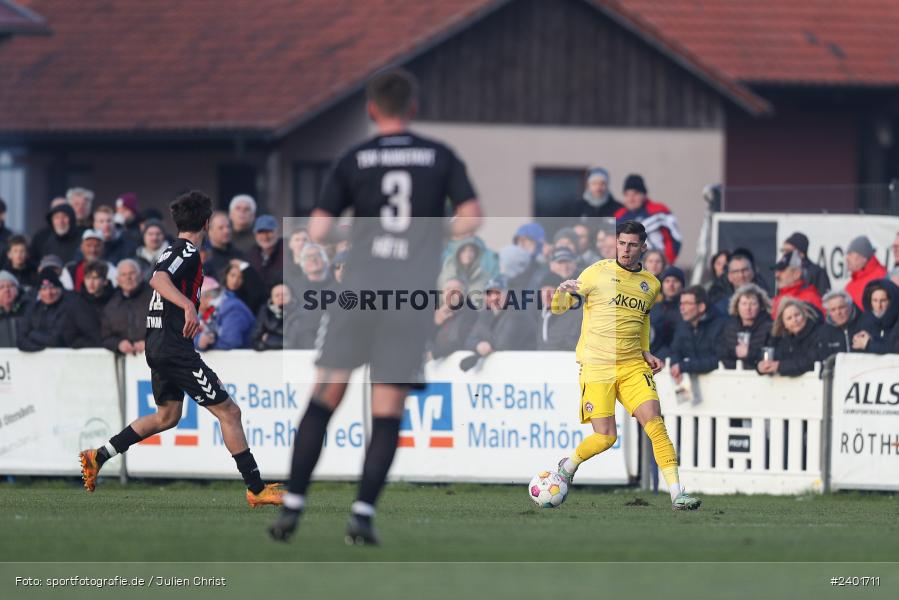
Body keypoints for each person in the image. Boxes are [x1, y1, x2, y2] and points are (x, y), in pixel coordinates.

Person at [269, 69, 482, 545]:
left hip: (359, 290)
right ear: (413, 108)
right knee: (387, 409)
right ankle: (362, 516)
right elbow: (472, 217)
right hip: (407, 299)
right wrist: (427, 232)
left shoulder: (355, 157)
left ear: (371, 109)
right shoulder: (439, 155)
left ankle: (292, 507)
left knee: (326, 395)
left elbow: (320, 232)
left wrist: (361, 233)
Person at [78, 190, 283, 508]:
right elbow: (158, 279)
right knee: (229, 412)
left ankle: (98, 455)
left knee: (167, 416)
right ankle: (256, 488)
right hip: (172, 347)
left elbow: (159, 276)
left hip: (161, 344)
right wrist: (189, 306)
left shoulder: (176, 249)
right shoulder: (186, 251)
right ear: (207, 222)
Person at [552, 220, 699, 510]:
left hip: (632, 366)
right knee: (605, 437)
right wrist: (563, 291)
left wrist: (645, 350)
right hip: (597, 366)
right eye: (622, 243)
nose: (626, 250)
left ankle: (677, 494)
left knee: (655, 423)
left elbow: (642, 319)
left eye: (632, 245)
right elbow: (558, 308)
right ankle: (568, 466)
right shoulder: (596, 272)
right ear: (615, 243)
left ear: (643, 247)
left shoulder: (651, 284)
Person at [614, 174, 682, 264]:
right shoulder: (619, 216)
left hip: (657, 266)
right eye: (627, 195)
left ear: (644, 194)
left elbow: (675, 237)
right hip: (629, 267)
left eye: (635, 194)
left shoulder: (659, 211)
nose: (631, 199)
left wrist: (667, 261)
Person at [757, 298, 830, 376]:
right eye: (789, 318)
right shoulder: (781, 339)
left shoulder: (820, 333)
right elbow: (769, 359)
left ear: (805, 314)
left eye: (797, 315)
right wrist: (760, 367)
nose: (794, 320)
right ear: (784, 324)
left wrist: (779, 366)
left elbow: (810, 362)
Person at [669, 285, 725, 380]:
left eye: (687, 303)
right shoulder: (682, 325)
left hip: (720, 384)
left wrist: (683, 367)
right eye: (681, 303)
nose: (682, 308)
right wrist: (675, 365)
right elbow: (675, 351)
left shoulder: (720, 326)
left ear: (701, 307)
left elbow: (718, 360)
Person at [716, 283, 773, 370]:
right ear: (737, 305)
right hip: (732, 377)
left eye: (753, 304)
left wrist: (750, 353)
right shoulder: (728, 326)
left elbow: (773, 353)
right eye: (744, 304)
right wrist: (734, 352)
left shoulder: (769, 327)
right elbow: (719, 351)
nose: (748, 308)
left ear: (761, 306)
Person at [101, 259, 153, 355]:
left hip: (154, 359)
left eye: (132, 273)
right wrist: (118, 344)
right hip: (124, 363)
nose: (128, 277)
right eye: (123, 274)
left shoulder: (155, 298)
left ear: (141, 275)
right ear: (118, 280)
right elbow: (105, 337)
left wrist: (150, 343)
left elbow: (165, 329)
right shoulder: (111, 305)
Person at [16, 268, 73, 351]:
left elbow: (56, 340)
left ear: (60, 289)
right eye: (44, 288)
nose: (48, 293)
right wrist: (40, 350)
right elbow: (20, 340)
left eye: (52, 287)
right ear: (39, 292)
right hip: (38, 361)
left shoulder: (69, 307)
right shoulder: (33, 309)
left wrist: (32, 334)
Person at [194, 277, 255, 351]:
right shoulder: (206, 312)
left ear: (207, 298)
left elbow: (230, 343)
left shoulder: (233, 309)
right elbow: (189, 339)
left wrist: (207, 345)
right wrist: (199, 341)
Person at [429, 277, 478, 359]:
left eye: (455, 290)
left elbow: (461, 340)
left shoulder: (470, 313)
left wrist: (435, 353)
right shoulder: (439, 314)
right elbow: (427, 341)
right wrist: (436, 324)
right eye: (447, 289)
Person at [851, 279, 899, 354]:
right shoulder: (865, 320)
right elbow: (856, 348)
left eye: (883, 300)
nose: (878, 305)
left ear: (892, 301)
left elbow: (895, 349)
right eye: (875, 300)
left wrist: (868, 344)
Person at [771, 251, 823, 318]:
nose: (776, 275)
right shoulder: (777, 299)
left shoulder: (811, 298)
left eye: (782, 270)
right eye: (776, 271)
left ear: (797, 274)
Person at [536, 272, 579, 351]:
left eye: (551, 291)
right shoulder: (540, 314)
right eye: (543, 291)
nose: (546, 295)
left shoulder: (572, 314)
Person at [649, 266, 684, 359]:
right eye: (667, 281)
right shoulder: (653, 309)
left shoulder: (686, 310)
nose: (671, 285)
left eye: (675, 281)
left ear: (682, 285)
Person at [845, 235, 887, 310]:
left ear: (863, 258)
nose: (847, 258)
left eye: (850, 254)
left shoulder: (881, 278)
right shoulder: (851, 284)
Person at [781, 231, 830, 296]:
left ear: (801, 253)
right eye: (783, 250)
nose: (784, 254)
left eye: (788, 251)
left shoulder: (818, 272)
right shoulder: (783, 272)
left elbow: (824, 298)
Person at [252, 284, 296, 351]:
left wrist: (268, 339)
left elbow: (292, 342)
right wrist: (263, 346)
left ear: (291, 296)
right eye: (277, 295)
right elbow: (255, 338)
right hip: (268, 358)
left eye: (284, 295)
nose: (281, 297)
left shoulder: (298, 313)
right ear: (272, 298)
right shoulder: (265, 311)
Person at [247, 214, 284, 293]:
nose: (265, 236)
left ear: (277, 232)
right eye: (261, 232)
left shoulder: (287, 250)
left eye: (269, 231)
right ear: (255, 235)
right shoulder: (251, 254)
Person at [820, 289, 864, 354]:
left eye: (841, 307)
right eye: (833, 310)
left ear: (850, 306)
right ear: (828, 312)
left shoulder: (865, 323)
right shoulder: (824, 333)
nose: (838, 312)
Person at [204, 211, 244, 279]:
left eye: (228, 227)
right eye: (221, 228)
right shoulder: (203, 256)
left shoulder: (238, 254)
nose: (226, 231)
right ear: (210, 231)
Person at [0, 271, 26, 347]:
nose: (7, 290)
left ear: (18, 290)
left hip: (25, 356)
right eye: (1, 287)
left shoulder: (29, 310)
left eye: (11, 286)